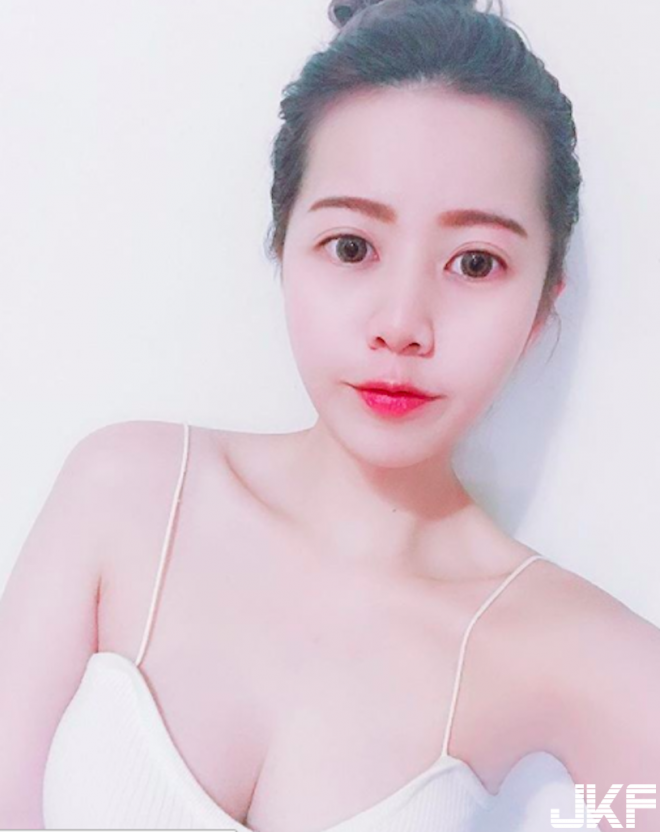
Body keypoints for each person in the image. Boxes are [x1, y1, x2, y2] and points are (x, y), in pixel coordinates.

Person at [1, 0, 659, 830]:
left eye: (475, 263)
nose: (402, 324)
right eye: (353, 247)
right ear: (284, 245)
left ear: (540, 308)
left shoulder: (586, 657)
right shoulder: (127, 496)